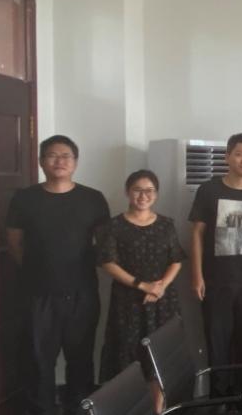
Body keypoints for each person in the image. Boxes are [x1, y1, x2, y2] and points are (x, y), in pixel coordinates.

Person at [7, 135, 110, 415]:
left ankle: (80, 408)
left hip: (82, 293)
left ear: (75, 162)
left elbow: (104, 245)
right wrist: (40, 271)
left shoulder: (93, 199)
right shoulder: (25, 198)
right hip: (39, 294)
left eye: (66, 156)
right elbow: (15, 243)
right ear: (41, 161)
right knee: (39, 360)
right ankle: (42, 410)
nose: (60, 161)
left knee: (81, 358)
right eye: (52, 155)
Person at [188, 133, 242, 397]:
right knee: (217, 344)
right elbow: (197, 234)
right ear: (227, 156)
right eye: (239, 154)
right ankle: (218, 399)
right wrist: (197, 275)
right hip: (216, 283)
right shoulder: (209, 190)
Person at [95, 170, 185, 413]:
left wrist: (160, 286)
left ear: (156, 194)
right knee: (128, 354)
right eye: (137, 190)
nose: (143, 195)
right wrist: (143, 285)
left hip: (163, 301)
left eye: (149, 191)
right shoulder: (113, 226)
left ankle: (158, 408)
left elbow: (176, 259)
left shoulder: (166, 224)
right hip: (128, 302)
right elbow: (107, 262)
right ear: (128, 192)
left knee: (160, 355)